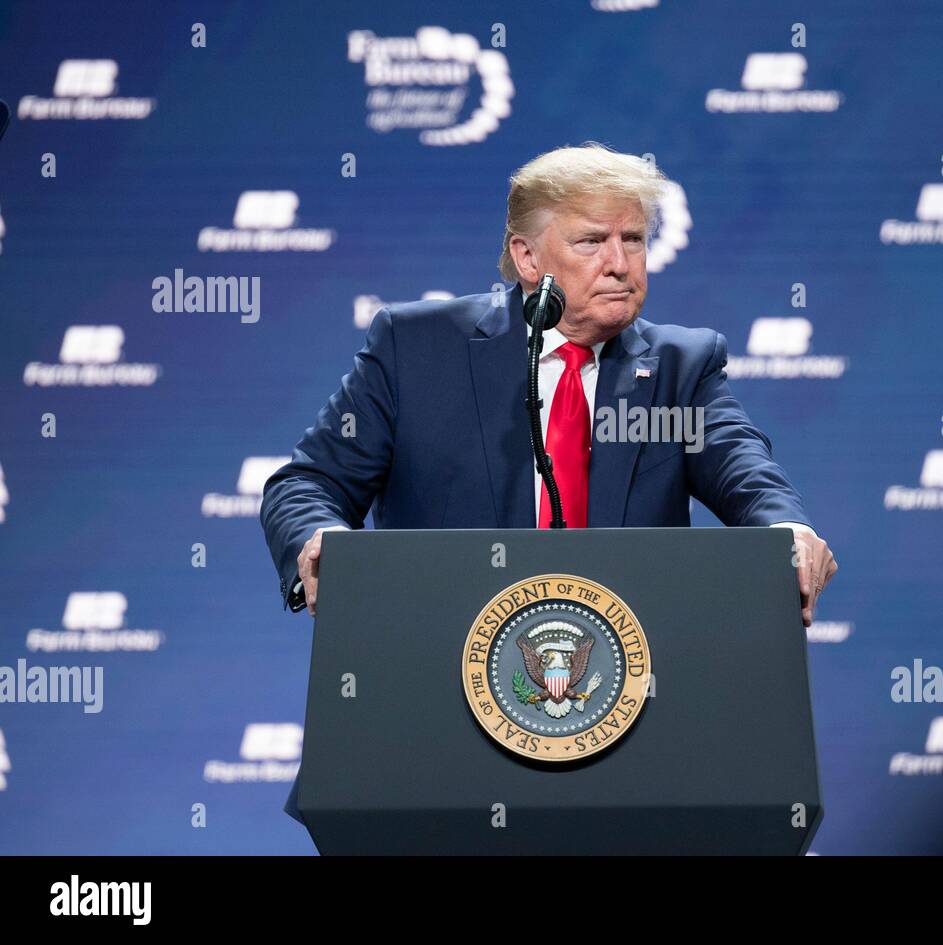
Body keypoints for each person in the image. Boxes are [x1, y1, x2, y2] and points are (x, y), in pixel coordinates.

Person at [259, 142, 837, 823]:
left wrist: (787, 529)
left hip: (628, 740)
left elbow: (744, 470)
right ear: (528, 256)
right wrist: (320, 541)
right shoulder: (415, 350)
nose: (620, 263)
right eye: (593, 240)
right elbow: (308, 482)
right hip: (436, 728)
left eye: (634, 240)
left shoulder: (681, 367)